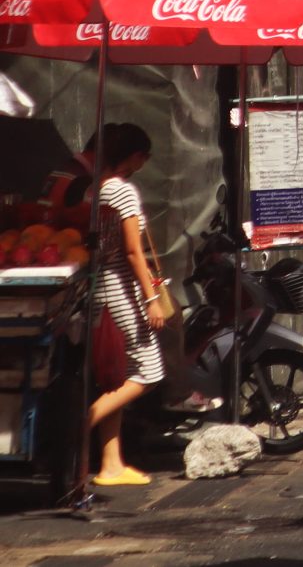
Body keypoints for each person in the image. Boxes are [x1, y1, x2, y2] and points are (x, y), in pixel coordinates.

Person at [86, 123, 167, 487]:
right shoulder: (122, 191)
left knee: (115, 379)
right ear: (132, 156)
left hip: (96, 290)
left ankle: (110, 464)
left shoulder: (93, 189)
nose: (144, 164)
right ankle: (78, 425)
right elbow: (134, 252)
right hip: (120, 289)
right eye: (143, 157)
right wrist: (150, 298)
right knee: (148, 372)